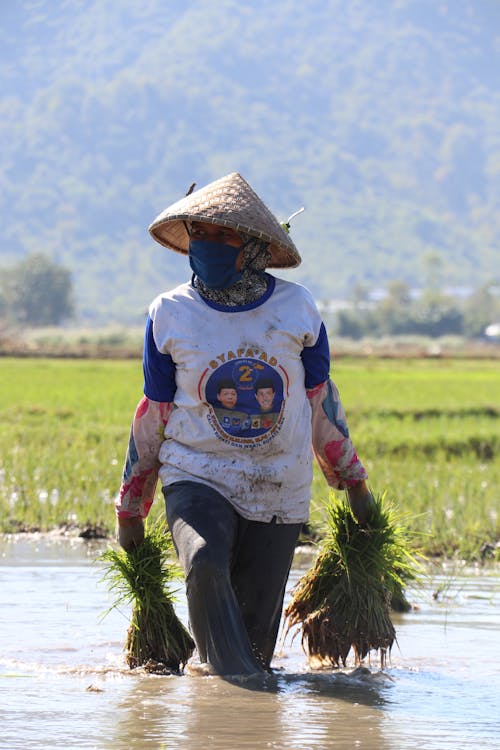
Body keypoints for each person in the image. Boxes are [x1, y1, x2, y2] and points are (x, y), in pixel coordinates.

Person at [115, 172, 374, 676]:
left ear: (254, 246)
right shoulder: (169, 313)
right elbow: (156, 411)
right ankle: (233, 694)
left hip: (279, 485)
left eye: (223, 235)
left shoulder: (296, 307)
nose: (207, 245)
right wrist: (133, 500)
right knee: (205, 561)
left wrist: (353, 482)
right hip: (196, 472)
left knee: (256, 642)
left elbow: (320, 401)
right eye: (199, 234)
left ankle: (238, 698)